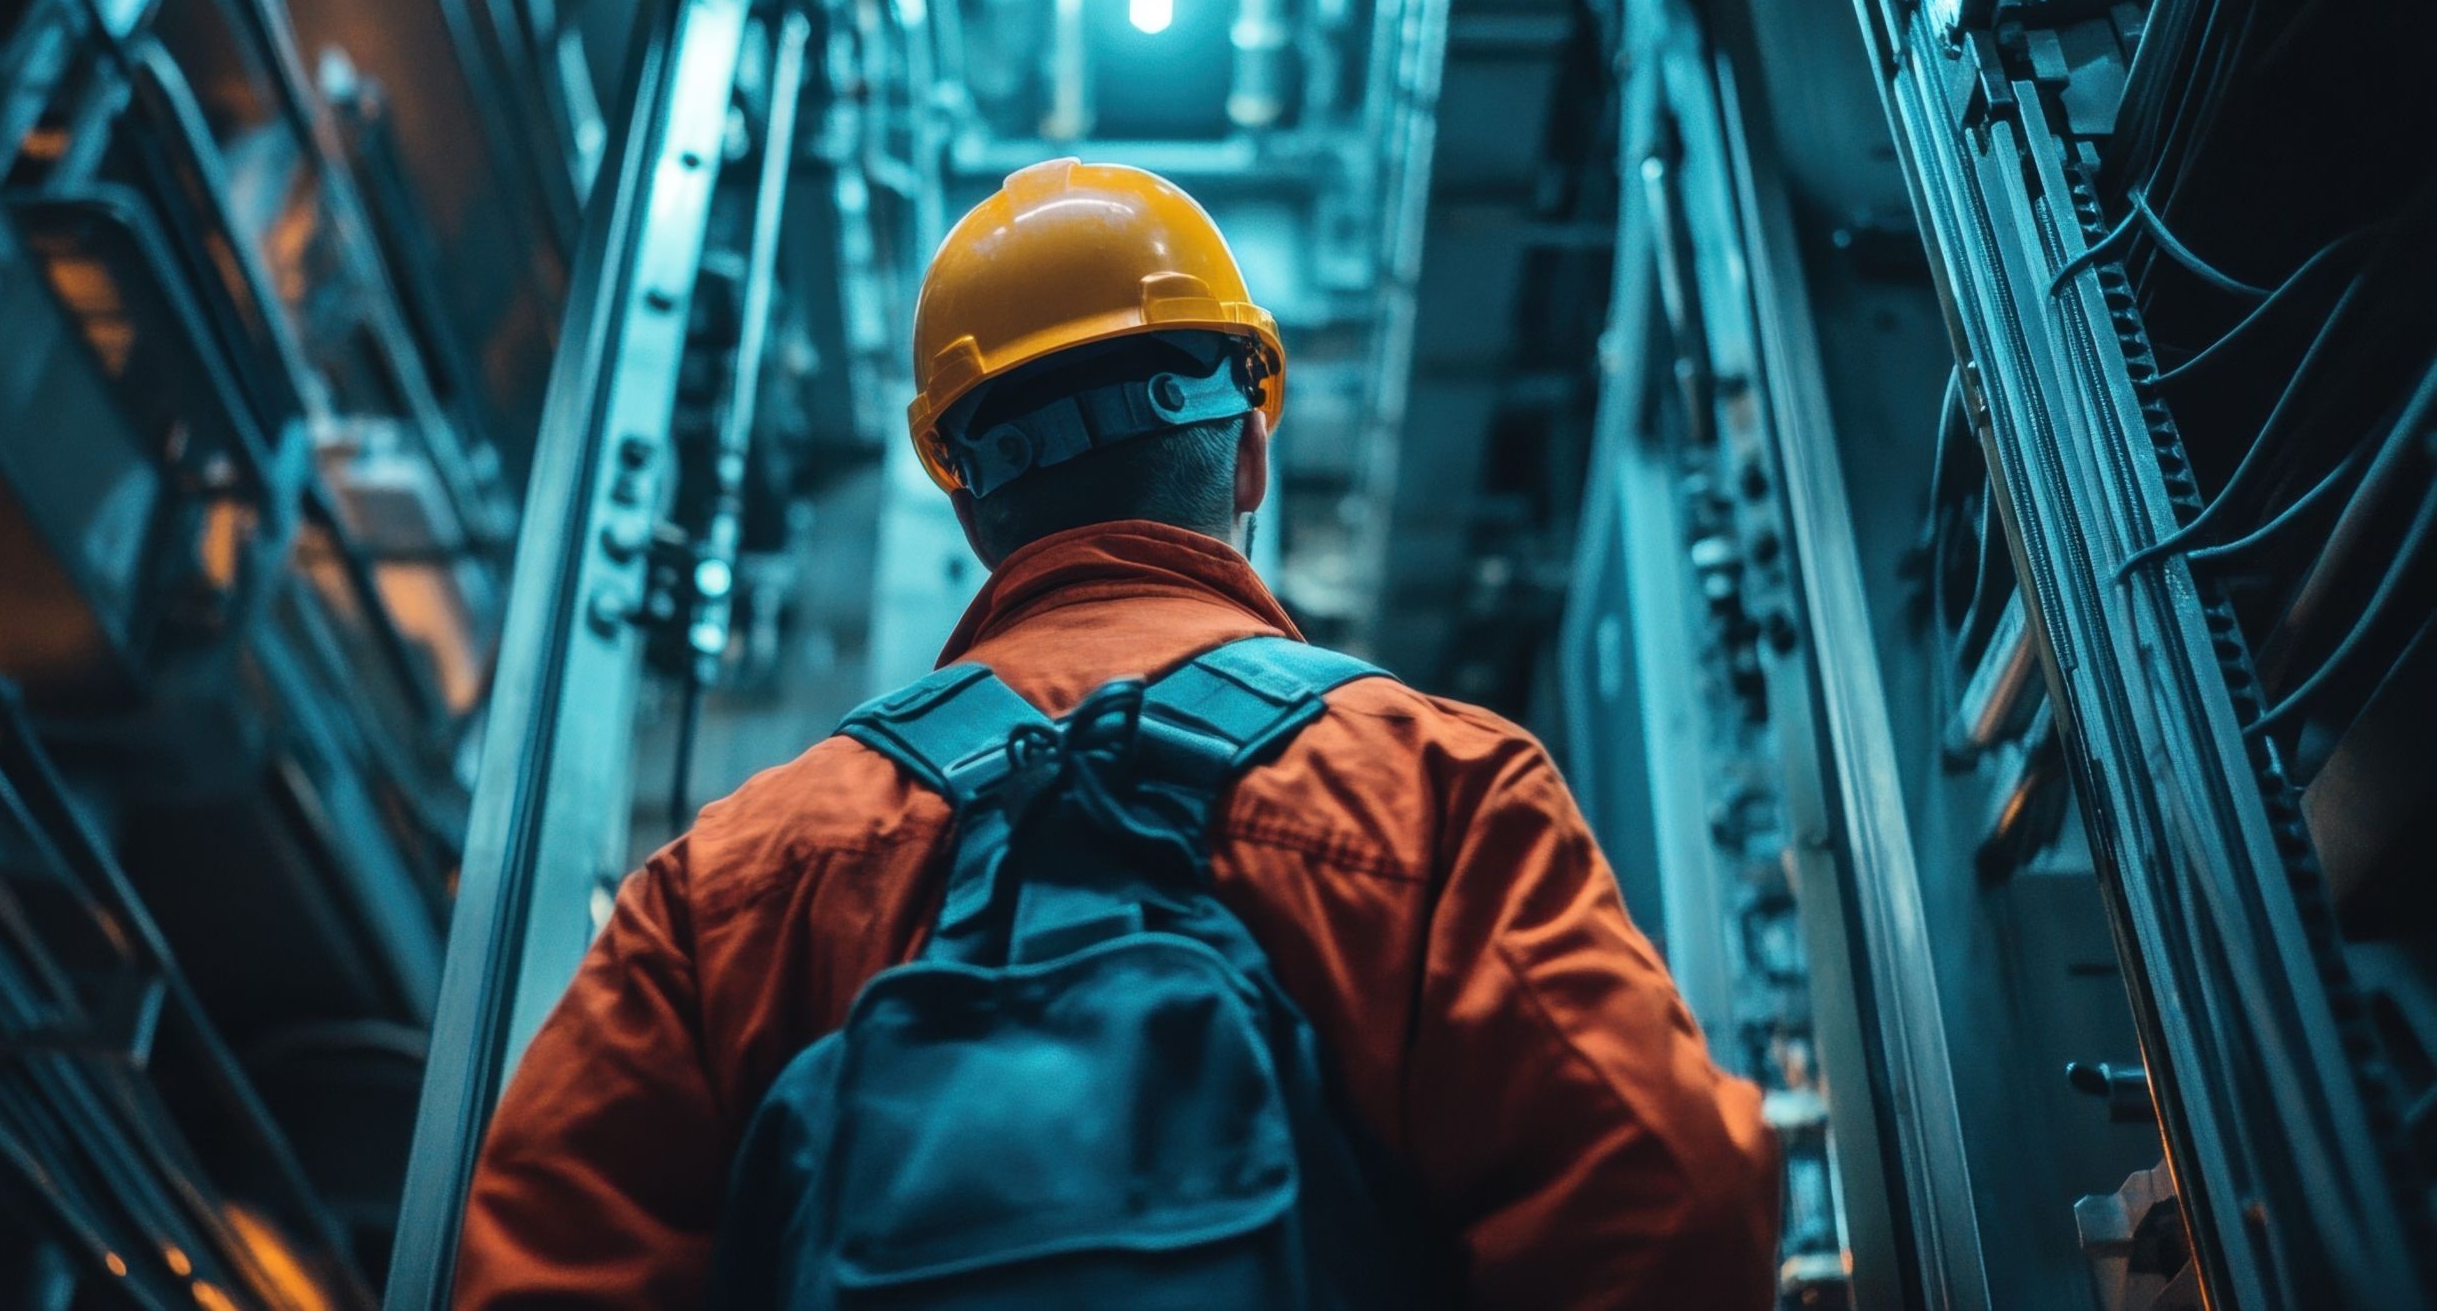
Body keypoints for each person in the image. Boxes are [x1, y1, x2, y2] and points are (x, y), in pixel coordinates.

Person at [454, 158, 1779, 1309]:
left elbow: (541, 1276)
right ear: (1250, 454)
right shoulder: (1437, 791)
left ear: (971, 509)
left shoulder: (727, 889)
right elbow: (1672, 1204)